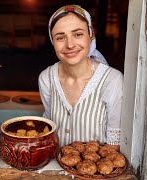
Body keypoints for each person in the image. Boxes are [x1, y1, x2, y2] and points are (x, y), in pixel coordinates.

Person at [38, 5, 123, 150]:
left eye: (78, 34)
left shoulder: (112, 80)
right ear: (53, 42)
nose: (70, 44)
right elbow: (50, 127)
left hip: (95, 171)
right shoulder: (46, 78)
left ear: (90, 36)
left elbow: (113, 145)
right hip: (53, 166)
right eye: (60, 37)